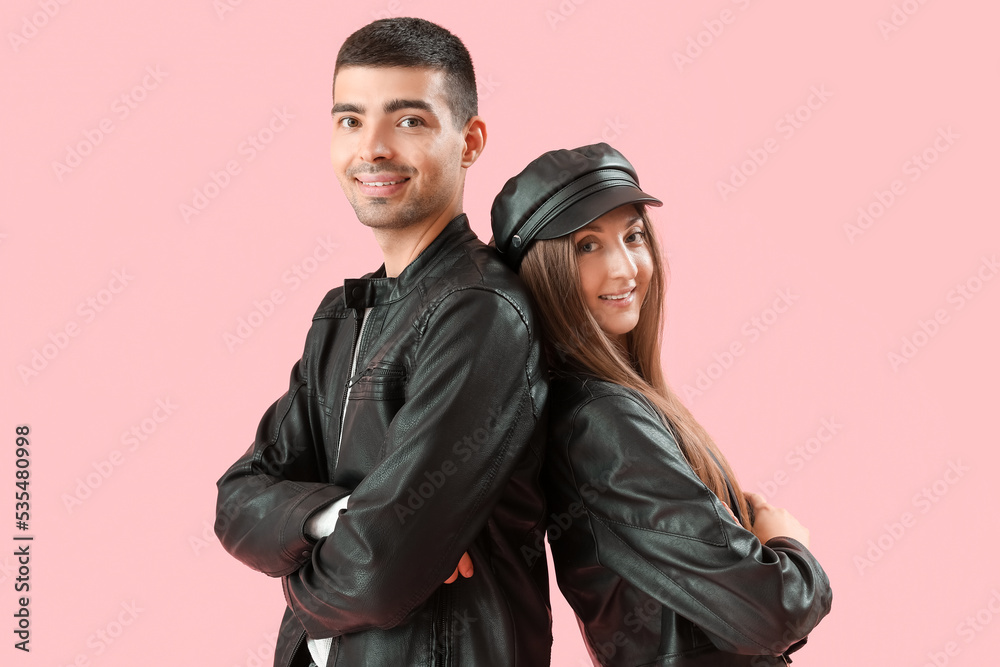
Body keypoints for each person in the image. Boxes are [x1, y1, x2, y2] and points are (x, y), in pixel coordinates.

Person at [215, 18, 551, 667]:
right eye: (349, 120)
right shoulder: (341, 313)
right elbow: (238, 496)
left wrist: (296, 581)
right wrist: (334, 516)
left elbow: (380, 568)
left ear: (470, 140)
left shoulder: (481, 310)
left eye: (408, 121)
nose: (371, 148)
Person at [490, 143, 832, 666]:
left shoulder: (602, 405)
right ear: (542, 271)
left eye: (633, 236)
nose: (625, 268)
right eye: (586, 246)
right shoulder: (599, 420)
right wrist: (790, 548)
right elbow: (772, 611)